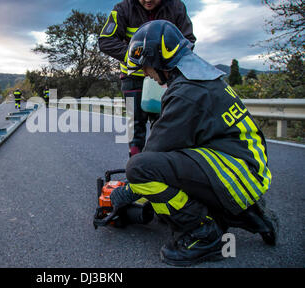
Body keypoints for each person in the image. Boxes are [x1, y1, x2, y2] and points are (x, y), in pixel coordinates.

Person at [109, 20, 278, 266]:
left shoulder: (186, 92)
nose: (145, 72)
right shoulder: (202, 79)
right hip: (246, 172)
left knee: (139, 170)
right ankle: (244, 212)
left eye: (145, 65)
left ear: (159, 59)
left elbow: (151, 158)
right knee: (173, 163)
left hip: (235, 172)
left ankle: (203, 233)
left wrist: (124, 192)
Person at [99, 0, 196, 157]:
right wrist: (139, 59)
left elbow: (188, 40)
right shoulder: (122, 9)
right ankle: (136, 171)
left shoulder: (176, 7)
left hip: (165, 78)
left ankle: (161, 170)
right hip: (133, 78)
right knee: (136, 126)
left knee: (165, 126)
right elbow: (105, 41)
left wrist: (166, 63)